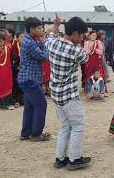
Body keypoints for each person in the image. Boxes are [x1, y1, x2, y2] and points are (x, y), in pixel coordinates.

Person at [46, 15, 91, 170]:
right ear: (76, 33)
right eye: (82, 35)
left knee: (65, 127)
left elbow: (50, 35)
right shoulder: (75, 50)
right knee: (78, 126)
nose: (82, 38)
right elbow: (86, 58)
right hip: (70, 96)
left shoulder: (51, 43)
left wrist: (55, 25)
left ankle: (60, 159)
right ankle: (75, 159)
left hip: (56, 95)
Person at [17, 17, 50, 142]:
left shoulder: (31, 40)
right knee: (41, 104)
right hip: (30, 79)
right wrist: (45, 44)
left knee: (30, 106)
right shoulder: (29, 42)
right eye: (39, 28)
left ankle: (26, 133)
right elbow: (43, 57)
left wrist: (41, 42)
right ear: (32, 29)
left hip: (28, 79)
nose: (42, 30)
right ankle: (36, 133)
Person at [10, 32, 25, 107]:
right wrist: (16, 67)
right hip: (16, 69)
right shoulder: (13, 47)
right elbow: (12, 58)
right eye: (21, 37)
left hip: (25, 69)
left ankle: (23, 100)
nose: (23, 39)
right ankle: (16, 100)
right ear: (17, 38)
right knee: (16, 84)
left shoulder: (26, 46)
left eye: (24, 37)